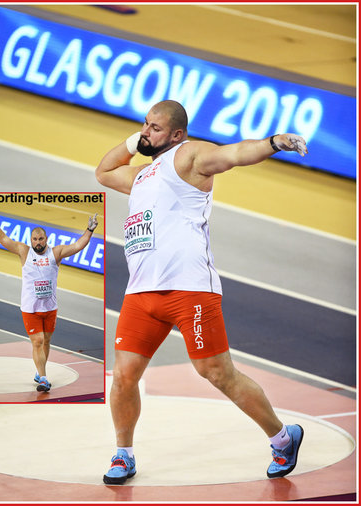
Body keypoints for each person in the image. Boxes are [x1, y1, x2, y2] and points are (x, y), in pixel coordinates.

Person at [96, 100, 307, 484]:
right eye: (145, 125)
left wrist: (274, 142)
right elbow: (104, 172)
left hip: (189, 288)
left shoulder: (189, 157)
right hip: (142, 292)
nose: (147, 132)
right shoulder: (142, 175)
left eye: (155, 128)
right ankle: (123, 455)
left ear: (177, 134)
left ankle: (282, 438)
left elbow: (235, 154)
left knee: (215, 372)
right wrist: (137, 138)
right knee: (124, 376)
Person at [0, 207, 98, 392]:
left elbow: (78, 246)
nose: (38, 242)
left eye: (41, 239)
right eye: (35, 239)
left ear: (47, 239)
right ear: (31, 240)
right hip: (30, 308)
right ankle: (44, 379)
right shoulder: (24, 251)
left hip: (50, 307)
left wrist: (90, 230)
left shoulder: (56, 253)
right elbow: (3, 239)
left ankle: (39, 371)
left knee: (45, 341)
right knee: (37, 341)